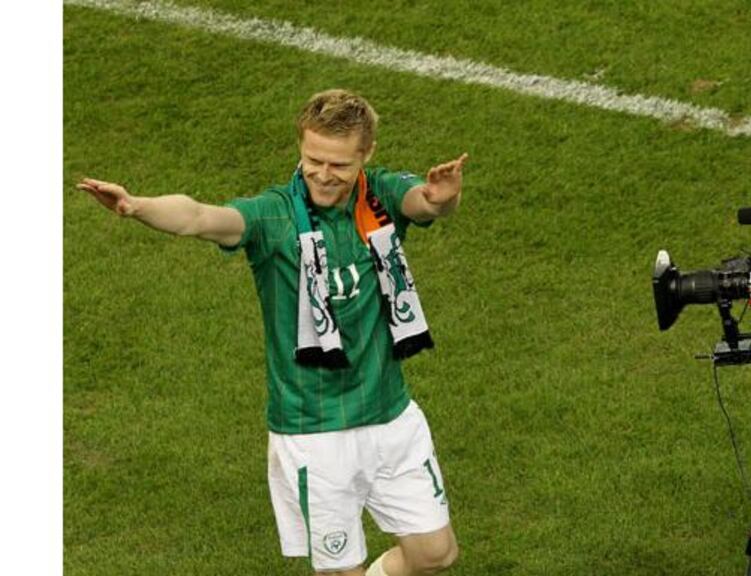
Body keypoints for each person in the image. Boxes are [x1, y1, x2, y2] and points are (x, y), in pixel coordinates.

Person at [77, 89, 466, 576]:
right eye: (313, 159)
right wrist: (137, 206)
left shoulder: (382, 195)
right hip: (313, 429)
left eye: (340, 165)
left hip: (390, 416)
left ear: (365, 155)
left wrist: (442, 199)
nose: (324, 174)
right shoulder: (274, 215)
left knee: (436, 553)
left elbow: (424, 203)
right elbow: (200, 217)